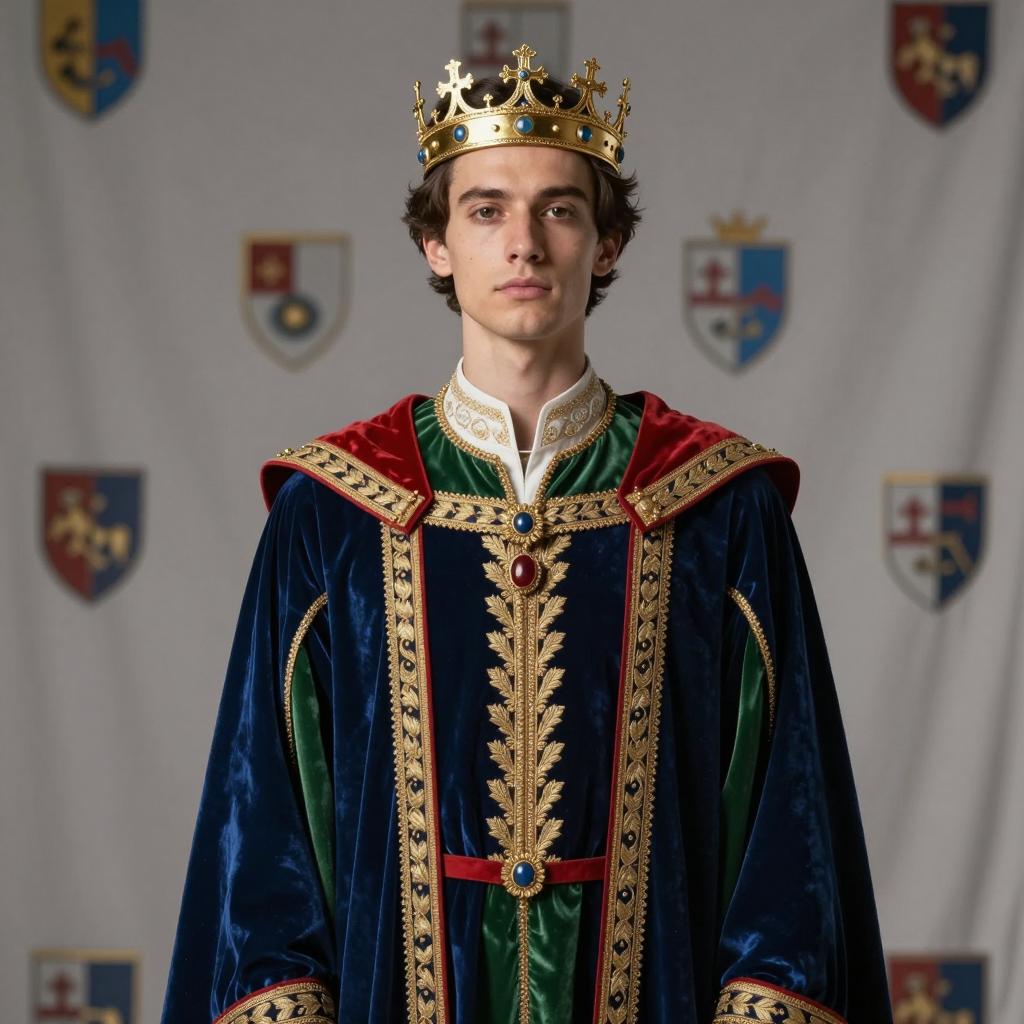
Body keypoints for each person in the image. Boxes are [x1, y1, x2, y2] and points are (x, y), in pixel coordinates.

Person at [161, 43, 892, 1024]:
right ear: (435, 244)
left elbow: (788, 841)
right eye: (485, 210)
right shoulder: (332, 515)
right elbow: (263, 841)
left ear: (607, 243)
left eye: (559, 209)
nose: (524, 244)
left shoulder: (719, 510)